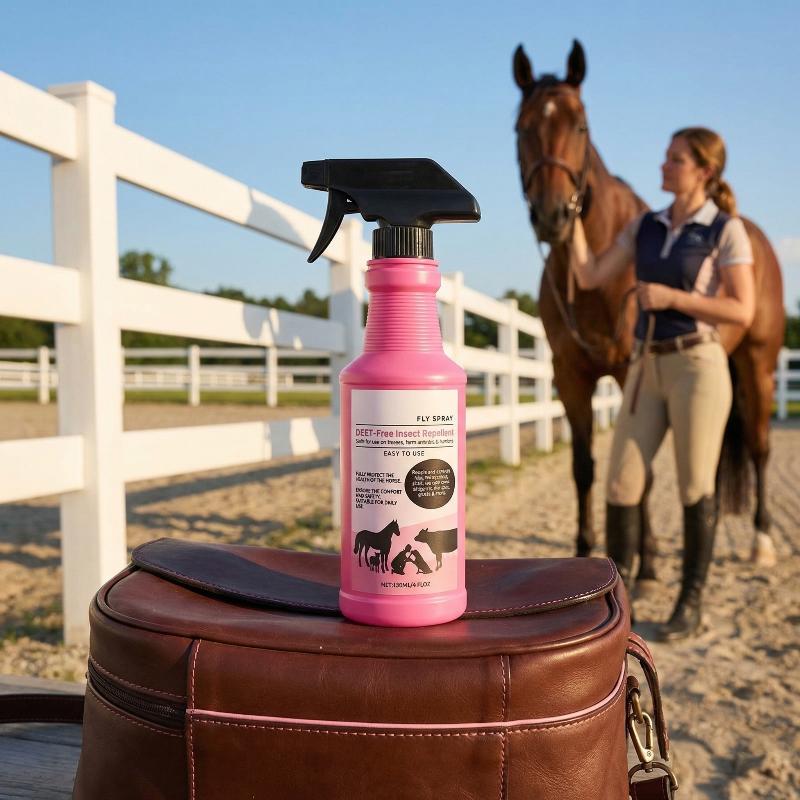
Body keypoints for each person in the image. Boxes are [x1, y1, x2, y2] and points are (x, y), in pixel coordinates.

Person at [568, 127, 755, 641]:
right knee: (621, 481)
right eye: (666, 157)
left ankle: (689, 601)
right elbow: (588, 275)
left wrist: (674, 299)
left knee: (695, 484)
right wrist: (573, 217)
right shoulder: (645, 226)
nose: (664, 165)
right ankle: (618, 603)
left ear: (704, 171)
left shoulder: (725, 230)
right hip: (645, 365)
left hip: (698, 364)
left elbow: (742, 309)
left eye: (675, 159)